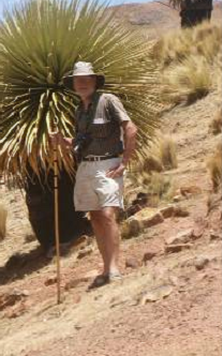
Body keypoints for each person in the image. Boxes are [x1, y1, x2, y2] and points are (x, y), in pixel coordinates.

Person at [50, 61, 137, 288]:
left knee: (108, 214)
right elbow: (79, 143)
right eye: (78, 80)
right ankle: (106, 267)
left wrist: (124, 162)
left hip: (109, 164)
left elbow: (130, 128)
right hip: (86, 167)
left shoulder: (107, 101)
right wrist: (62, 140)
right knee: (96, 217)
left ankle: (115, 268)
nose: (82, 83)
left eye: (87, 79)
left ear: (95, 81)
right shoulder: (80, 110)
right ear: (74, 84)